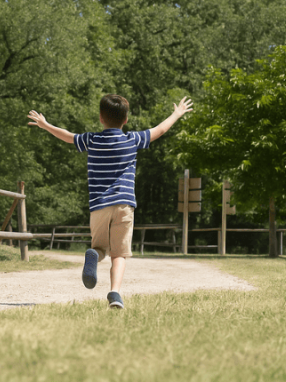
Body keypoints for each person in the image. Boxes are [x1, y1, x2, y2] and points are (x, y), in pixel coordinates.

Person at [28, 95, 192, 309]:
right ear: (125, 119)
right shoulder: (132, 139)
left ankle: (94, 255)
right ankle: (114, 293)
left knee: (100, 248)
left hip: (99, 205)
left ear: (101, 119)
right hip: (124, 205)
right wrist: (176, 113)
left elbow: (68, 137)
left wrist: (46, 124)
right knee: (120, 254)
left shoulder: (92, 140)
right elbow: (159, 130)